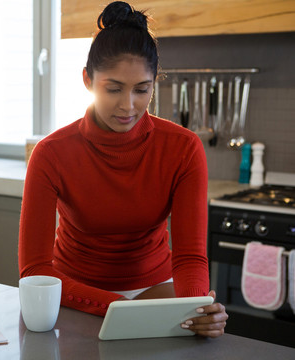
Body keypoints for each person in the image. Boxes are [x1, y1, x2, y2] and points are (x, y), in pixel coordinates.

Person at [18, 1, 228, 338]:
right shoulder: (51, 153)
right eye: (113, 89)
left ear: (154, 84)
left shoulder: (183, 148)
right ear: (88, 79)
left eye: (142, 90)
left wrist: (195, 307)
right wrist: (118, 308)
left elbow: (190, 257)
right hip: (75, 295)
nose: (128, 105)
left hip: (156, 293)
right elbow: (35, 270)